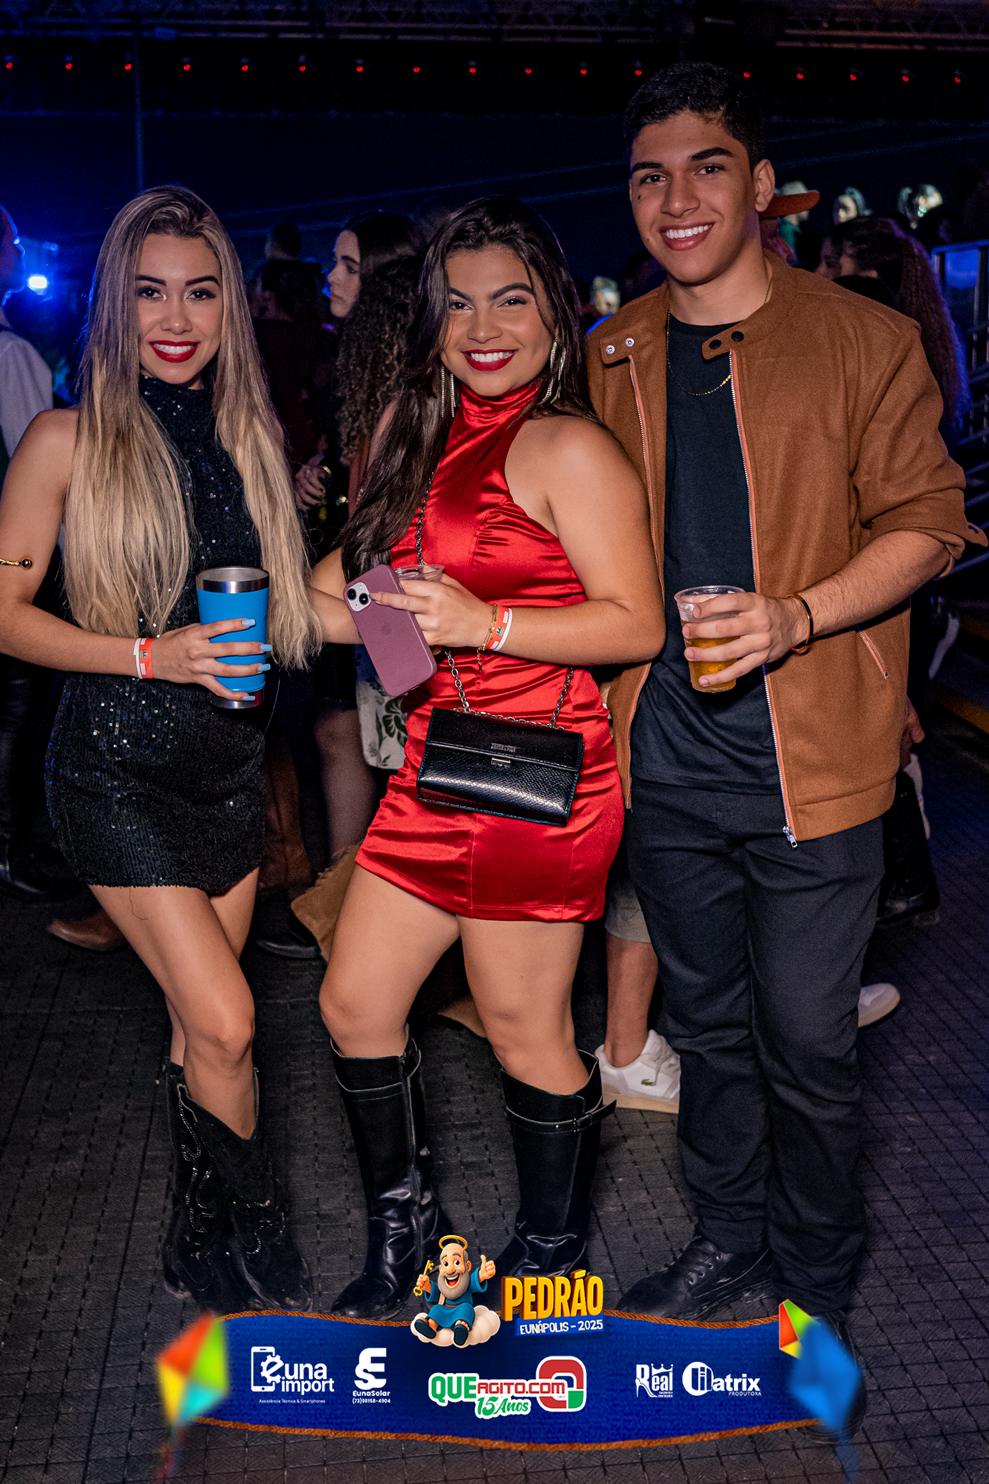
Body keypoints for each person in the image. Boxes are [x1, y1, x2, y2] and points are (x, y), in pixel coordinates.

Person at [585, 63, 982, 1371]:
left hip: (814, 761)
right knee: (708, 1029)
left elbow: (928, 524)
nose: (676, 199)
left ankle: (812, 1277)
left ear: (759, 185)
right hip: (666, 760)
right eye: (649, 176)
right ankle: (727, 1239)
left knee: (808, 1038)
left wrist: (794, 617)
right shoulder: (612, 352)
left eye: (706, 167)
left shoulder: (862, 339)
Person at [308, 196, 664, 1320]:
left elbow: (636, 624)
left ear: (552, 312)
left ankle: (548, 1257)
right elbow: (356, 594)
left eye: (509, 300)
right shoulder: (406, 430)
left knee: (523, 1031)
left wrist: (484, 623)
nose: (482, 328)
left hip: (538, 781)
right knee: (354, 1003)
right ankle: (405, 1234)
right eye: (457, 304)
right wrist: (340, 616)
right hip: (433, 761)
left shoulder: (567, 445)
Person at [0, 185, 321, 1313]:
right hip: (115, 774)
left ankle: (197, 1236)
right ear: (113, 306)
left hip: (224, 777)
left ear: (230, 306)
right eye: (149, 293)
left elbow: (287, 609)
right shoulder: (66, 438)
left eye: (199, 292)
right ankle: (263, 1238)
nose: (175, 319)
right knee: (231, 1019)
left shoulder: (249, 440)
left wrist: (387, 602)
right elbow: (3, 614)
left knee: (201, 1030)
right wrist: (151, 655)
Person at [0, 203, 67, 905]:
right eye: (13, 243)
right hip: (12, 557)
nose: (20, 254)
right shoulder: (11, 353)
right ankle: (11, 848)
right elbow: (39, 467)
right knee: (18, 709)